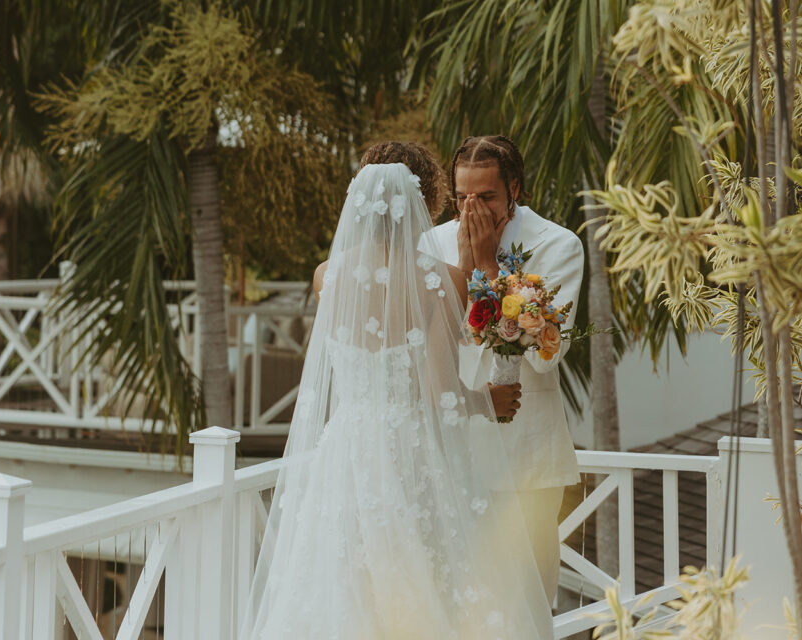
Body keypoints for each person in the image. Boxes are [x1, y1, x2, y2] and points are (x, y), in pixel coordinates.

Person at [238, 142, 553, 640]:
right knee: (423, 578)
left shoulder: (327, 277)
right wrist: (485, 402)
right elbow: (438, 393)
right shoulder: (439, 281)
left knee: (342, 580)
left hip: (345, 451)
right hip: (410, 453)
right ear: (426, 202)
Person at [423, 135, 584, 607]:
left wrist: (490, 265)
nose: (471, 208)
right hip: (452, 453)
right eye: (462, 197)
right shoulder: (429, 242)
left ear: (514, 187)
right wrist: (461, 264)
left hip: (526, 454)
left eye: (486, 197)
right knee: (456, 603)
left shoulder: (558, 244)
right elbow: (426, 342)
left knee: (527, 598)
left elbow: (545, 355)